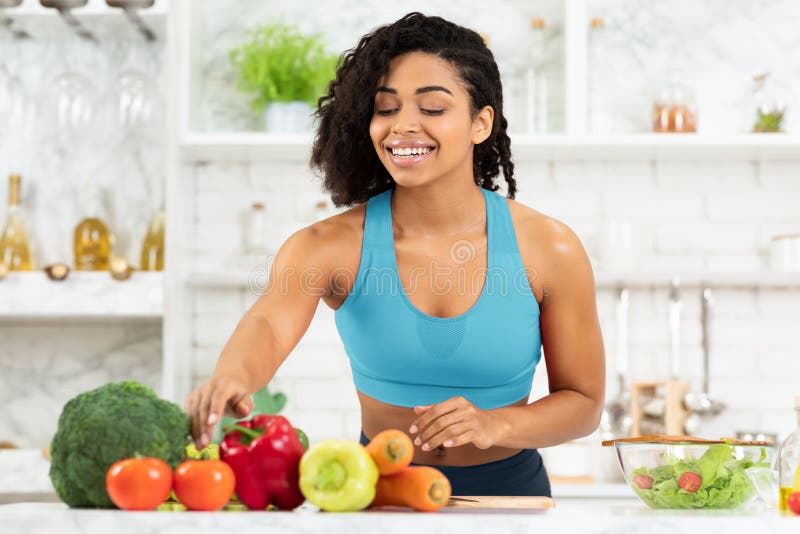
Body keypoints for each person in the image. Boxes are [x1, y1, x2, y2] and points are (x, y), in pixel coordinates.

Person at [185, 12, 605, 497]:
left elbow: (583, 403)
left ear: (480, 123)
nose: (403, 125)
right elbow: (269, 323)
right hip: (376, 493)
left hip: (510, 495)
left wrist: (498, 425)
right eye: (385, 109)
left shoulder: (550, 247)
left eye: (432, 108)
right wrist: (233, 377)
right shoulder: (328, 245)